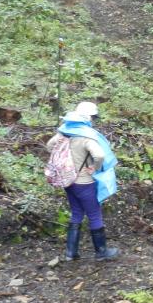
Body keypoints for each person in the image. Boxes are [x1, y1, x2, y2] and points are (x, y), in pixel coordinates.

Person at [48, 101, 119, 261]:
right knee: (94, 215)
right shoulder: (87, 136)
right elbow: (100, 155)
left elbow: (49, 146)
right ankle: (101, 252)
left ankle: (71, 253)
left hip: (68, 181)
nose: (93, 120)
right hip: (84, 182)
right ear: (88, 117)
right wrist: (94, 167)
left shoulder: (64, 131)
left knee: (76, 213)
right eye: (93, 117)